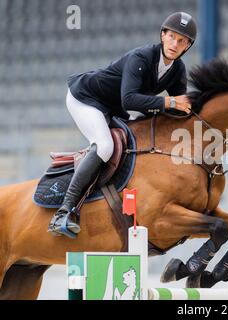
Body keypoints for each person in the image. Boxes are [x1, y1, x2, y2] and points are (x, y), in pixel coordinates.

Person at [47, 12, 197, 238]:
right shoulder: (142, 57)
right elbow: (130, 100)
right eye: (172, 37)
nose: (175, 44)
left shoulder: (177, 70)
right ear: (163, 35)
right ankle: (64, 211)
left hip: (113, 107)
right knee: (105, 146)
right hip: (86, 98)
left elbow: (178, 110)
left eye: (181, 41)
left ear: (187, 46)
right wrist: (171, 101)